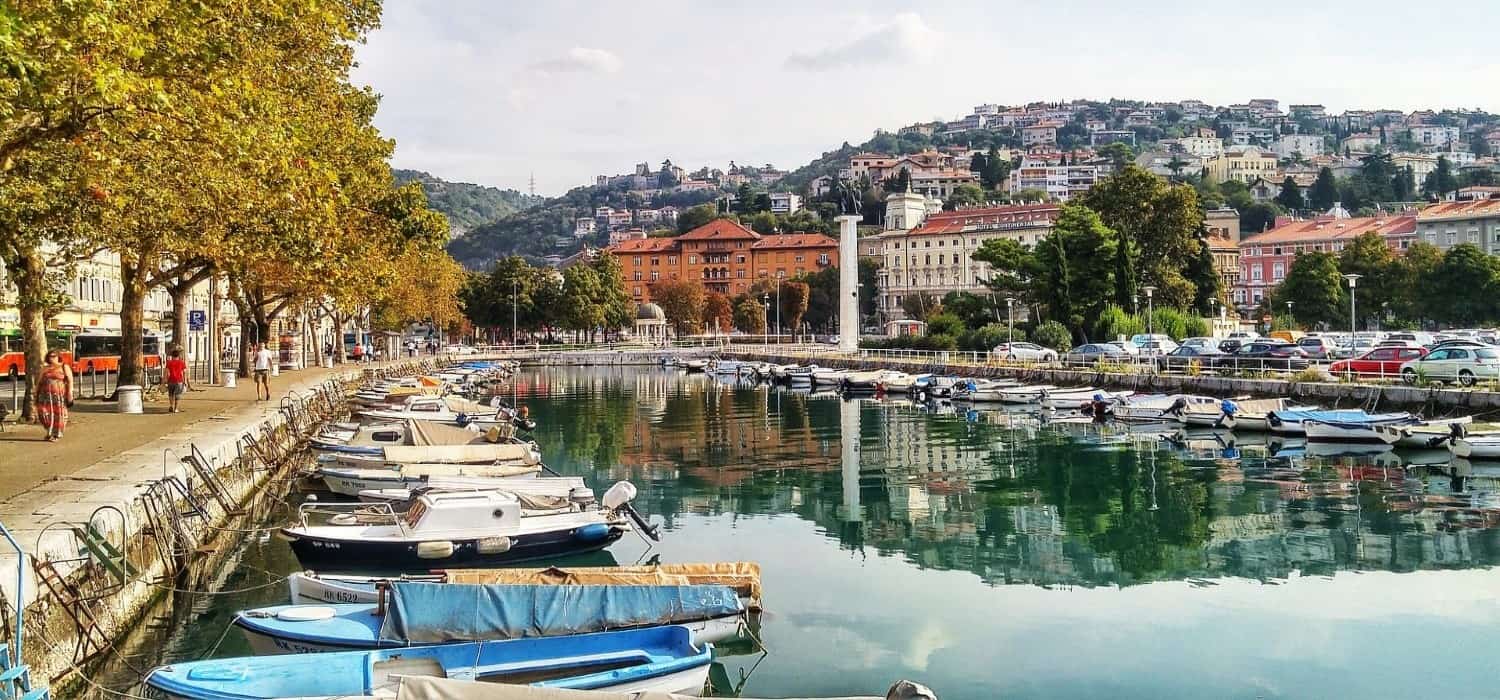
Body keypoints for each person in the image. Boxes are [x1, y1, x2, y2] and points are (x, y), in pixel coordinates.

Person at [35, 350, 73, 442]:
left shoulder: (64, 367)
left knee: (58, 414)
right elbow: (39, 382)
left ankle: (56, 434)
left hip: (59, 395)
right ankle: (49, 431)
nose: (52, 358)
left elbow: (70, 381)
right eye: (50, 356)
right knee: (43, 413)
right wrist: (36, 393)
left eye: (54, 356)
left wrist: (70, 394)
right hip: (45, 395)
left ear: (58, 357)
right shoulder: (45, 368)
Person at [165, 346, 190, 413]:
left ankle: (171, 405)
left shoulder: (169, 363)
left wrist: (165, 381)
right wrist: (185, 381)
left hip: (170, 380)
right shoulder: (181, 362)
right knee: (178, 395)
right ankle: (176, 408)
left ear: (172, 356)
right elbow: (184, 372)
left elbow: (167, 373)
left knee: (170, 394)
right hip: (179, 381)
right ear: (178, 356)